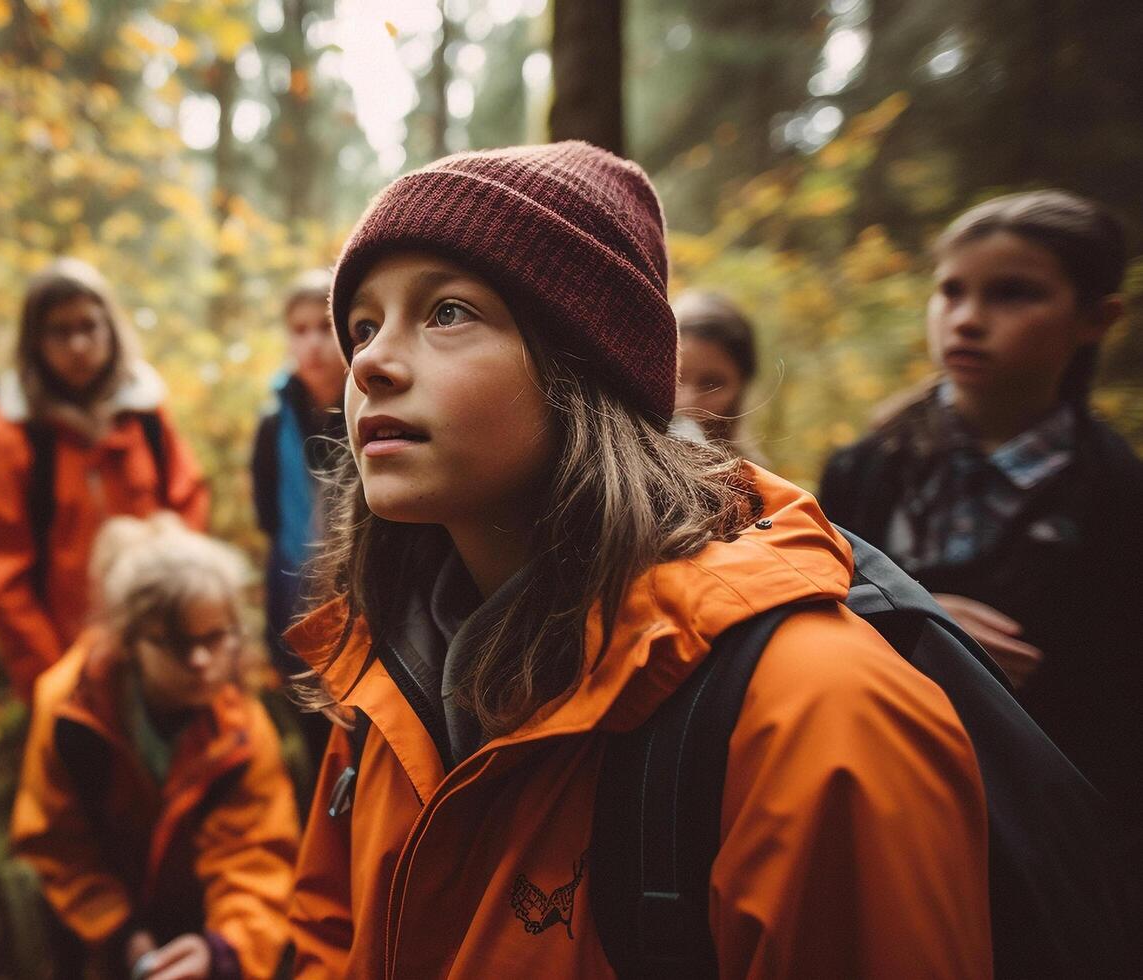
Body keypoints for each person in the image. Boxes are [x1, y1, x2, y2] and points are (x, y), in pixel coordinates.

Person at [285, 143, 991, 977]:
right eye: (362, 324)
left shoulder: (814, 710)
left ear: (584, 368)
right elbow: (325, 940)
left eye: (447, 312)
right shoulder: (383, 680)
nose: (367, 361)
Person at [819, 189, 1142, 868]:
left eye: (1012, 294)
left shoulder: (1116, 494)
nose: (965, 320)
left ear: (1095, 318)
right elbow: (801, 617)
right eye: (950, 291)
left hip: (1047, 846)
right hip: (877, 811)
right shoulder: (863, 471)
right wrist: (910, 623)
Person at [12, 514, 298, 979]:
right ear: (130, 641)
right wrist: (122, 933)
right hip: (93, 928)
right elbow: (56, 842)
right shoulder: (70, 708)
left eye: (214, 638)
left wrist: (225, 950)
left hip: (197, 918)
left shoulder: (242, 731)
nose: (201, 661)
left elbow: (257, 854)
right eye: (176, 644)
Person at [0, 258, 209, 704]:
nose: (78, 344)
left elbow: (187, 507)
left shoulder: (146, 418)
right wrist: (52, 671)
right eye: (60, 331)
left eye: (89, 326)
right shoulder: (13, 437)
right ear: (35, 341)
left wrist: (180, 622)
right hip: (65, 656)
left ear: (110, 330)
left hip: (158, 644)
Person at [251, 269, 345, 796]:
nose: (312, 343)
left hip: (364, 609)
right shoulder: (273, 421)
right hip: (294, 601)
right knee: (314, 747)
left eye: (324, 327)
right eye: (299, 329)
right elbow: (269, 520)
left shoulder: (373, 407)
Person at [671, 289, 769, 464]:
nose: (687, 402)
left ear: (741, 385)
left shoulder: (756, 483)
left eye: (711, 384)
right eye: (673, 378)